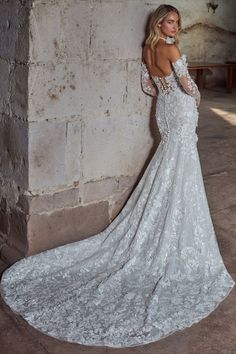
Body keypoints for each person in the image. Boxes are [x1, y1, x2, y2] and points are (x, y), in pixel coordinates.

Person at [0, 4, 235, 348]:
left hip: (164, 111)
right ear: (160, 22)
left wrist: (167, 95)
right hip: (181, 110)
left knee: (170, 162)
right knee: (181, 164)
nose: (175, 27)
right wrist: (195, 98)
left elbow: (149, 87)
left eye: (177, 22)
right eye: (170, 21)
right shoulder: (170, 47)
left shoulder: (147, 48)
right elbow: (188, 85)